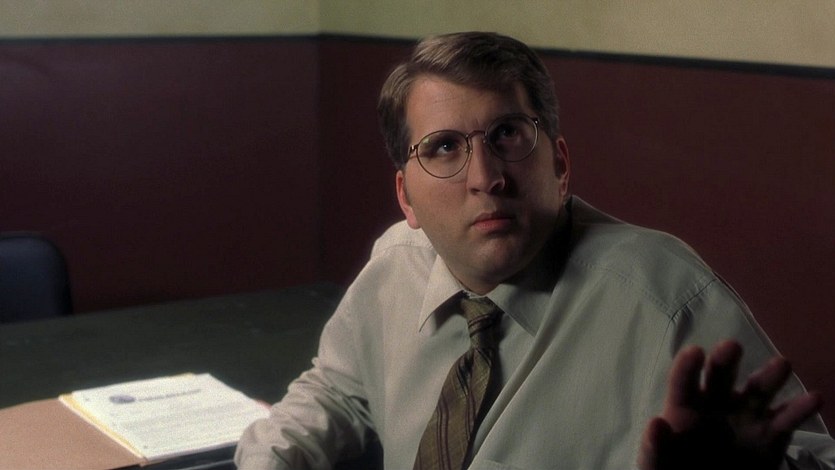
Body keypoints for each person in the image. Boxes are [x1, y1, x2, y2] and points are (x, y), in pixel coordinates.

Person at [235, 32, 834, 469]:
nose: (486, 177)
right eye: (444, 147)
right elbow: (337, 391)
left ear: (560, 164)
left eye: (507, 135)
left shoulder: (666, 300)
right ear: (406, 199)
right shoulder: (397, 263)